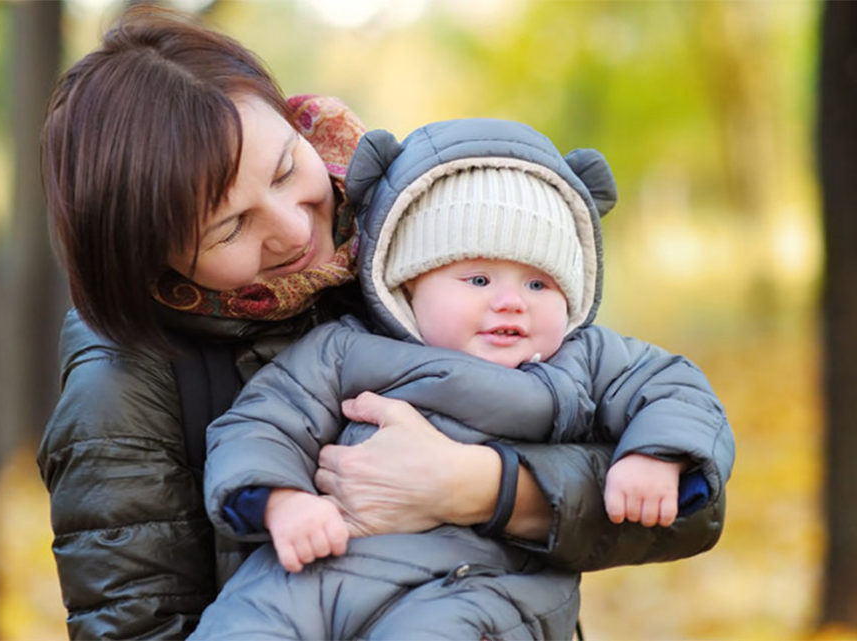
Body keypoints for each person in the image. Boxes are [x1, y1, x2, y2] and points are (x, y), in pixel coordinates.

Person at [35, 6, 731, 639]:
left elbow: (690, 509)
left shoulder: (419, 239)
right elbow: (132, 629)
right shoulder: (123, 383)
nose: (292, 229)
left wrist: (479, 485)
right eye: (230, 227)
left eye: (283, 169)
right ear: (156, 259)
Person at [190, 118, 735, 640]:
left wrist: (655, 457)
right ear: (407, 286)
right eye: (477, 278)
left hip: (481, 581)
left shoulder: (583, 358)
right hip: (325, 563)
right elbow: (264, 419)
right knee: (246, 621)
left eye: (540, 284)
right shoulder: (345, 349)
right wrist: (282, 501)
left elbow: (675, 388)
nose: (510, 302)